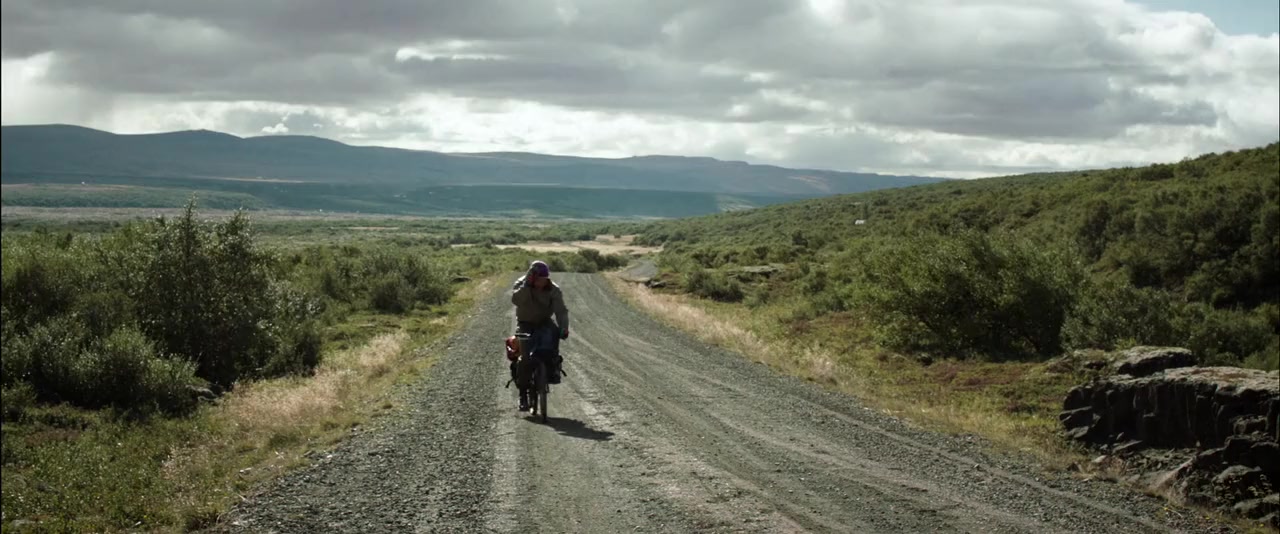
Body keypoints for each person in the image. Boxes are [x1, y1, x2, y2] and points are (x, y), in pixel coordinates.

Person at [510, 260, 569, 411]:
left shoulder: (553, 289)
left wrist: (564, 328)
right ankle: (523, 394)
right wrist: (526, 286)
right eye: (539, 279)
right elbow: (516, 300)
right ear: (532, 277)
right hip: (525, 323)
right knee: (524, 358)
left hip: (544, 322)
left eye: (544, 279)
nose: (542, 282)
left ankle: (552, 371)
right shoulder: (521, 284)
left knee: (553, 338)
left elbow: (561, 311)